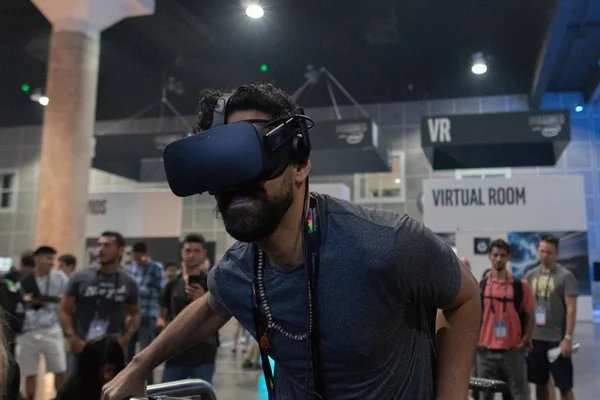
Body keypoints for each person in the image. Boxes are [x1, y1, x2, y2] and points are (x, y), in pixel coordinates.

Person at [102, 83, 480, 400]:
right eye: (221, 164)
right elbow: (211, 307)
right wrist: (140, 364)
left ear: (299, 165)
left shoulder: (386, 244)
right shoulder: (239, 269)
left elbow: (464, 296)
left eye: (248, 154)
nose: (234, 182)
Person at [60, 231, 140, 374]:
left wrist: (125, 339)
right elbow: (65, 311)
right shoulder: (80, 277)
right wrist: (72, 339)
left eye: (107, 245)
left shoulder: (129, 282)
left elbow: (135, 314)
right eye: (99, 245)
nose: (100, 249)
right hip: (83, 348)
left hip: (113, 351)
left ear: (120, 250)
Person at [477, 239, 534, 400]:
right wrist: (474, 340)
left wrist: (527, 338)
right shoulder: (480, 286)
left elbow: (529, 313)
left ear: (508, 257)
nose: (498, 259)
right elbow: (473, 316)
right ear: (489, 256)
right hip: (485, 351)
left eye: (503, 255)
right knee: (485, 396)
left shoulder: (521, 286)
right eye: (495, 255)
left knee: (518, 395)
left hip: (513, 351)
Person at [158, 234, 218, 384]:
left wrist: (204, 299)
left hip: (204, 353)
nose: (191, 255)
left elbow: (221, 315)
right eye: (188, 250)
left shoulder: (213, 283)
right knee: (166, 394)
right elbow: (162, 315)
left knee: (202, 394)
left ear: (204, 253)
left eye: (196, 251)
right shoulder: (171, 284)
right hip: (175, 353)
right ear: (182, 252)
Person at [525, 235, 578, 400]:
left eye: (549, 252)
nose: (544, 255)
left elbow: (571, 309)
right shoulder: (531, 275)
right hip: (536, 340)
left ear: (556, 253)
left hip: (557, 340)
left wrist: (567, 338)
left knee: (564, 386)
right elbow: (526, 308)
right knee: (540, 383)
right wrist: (526, 336)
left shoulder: (565, 276)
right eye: (541, 251)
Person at [17, 246, 69, 400]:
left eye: (53, 259)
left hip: (51, 329)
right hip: (28, 331)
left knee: (60, 369)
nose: (51, 262)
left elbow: (68, 298)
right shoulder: (25, 281)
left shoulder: (60, 278)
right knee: (29, 372)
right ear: (37, 259)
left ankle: (62, 397)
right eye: (47, 258)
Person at [126, 242, 164, 384]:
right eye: (134, 256)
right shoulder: (132, 268)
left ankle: (148, 387)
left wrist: (138, 292)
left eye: (139, 256)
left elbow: (161, 289)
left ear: (145, 254)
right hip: (132, 316)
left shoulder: (155, 268)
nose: (136, 259)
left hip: (148, 315)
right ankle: (128, 384)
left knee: (145, 355)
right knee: (128, 353)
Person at [55, 336, 126, 400]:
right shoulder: (76, 385)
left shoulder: (127, 382)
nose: (105, 376)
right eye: (100, 372)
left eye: (110, 370)